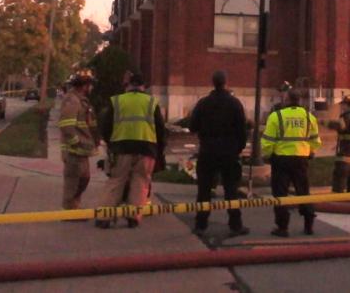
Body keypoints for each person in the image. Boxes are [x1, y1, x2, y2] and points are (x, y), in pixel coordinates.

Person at [180, 70, 249, 237]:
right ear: (226, 83)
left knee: (204, 190)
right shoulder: (234, 103)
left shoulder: (203, 103)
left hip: (208, 151)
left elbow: (192, 126)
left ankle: (201, 224)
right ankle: (235, 225)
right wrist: (238, 148)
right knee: (231, 190)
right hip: (229, 152)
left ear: (213, 83)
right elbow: (242, 129)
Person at [95, 73, 166, 229]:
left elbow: (106, 127)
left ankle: (104, 217)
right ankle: (133, 217)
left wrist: (110, 143)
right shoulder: (151, 102)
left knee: (116, 180)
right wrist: (160, 150)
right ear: (143, 86)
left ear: (127, 86)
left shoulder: (117, 101)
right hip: (146, 149)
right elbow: (160, 130)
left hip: (121, 148)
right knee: (140, 182)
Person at [261, 88, 322, 237]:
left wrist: (267, 155)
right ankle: (309, 225)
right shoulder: (309, 117)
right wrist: (310, 151)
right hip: (301, 159)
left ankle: (282, 227)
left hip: (281, 160)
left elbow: (268, 141)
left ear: (287, 100)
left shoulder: (276, 116)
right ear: (299, 100)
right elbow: (315, 141)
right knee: (304, 192)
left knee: (281, 194)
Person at [58, 74, 99, 210]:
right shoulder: (72, 100)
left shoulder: (81, 100)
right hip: (73, 150)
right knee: (73, 181)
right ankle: (70, 210)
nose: (91, 88)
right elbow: (66, 125)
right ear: (84, 86)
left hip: (82, 149)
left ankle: (75, 206)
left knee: (84, 178)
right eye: (90, 85)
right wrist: (75, 142)